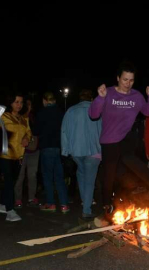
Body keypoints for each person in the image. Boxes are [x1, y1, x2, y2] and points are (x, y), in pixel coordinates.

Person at [88, 61, 149, 223]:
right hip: (109, 140)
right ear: (118, 78)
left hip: (126, 137)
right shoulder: (108, 93)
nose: (128, 84)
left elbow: (147, 111)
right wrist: (100, 98)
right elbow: (94, 114)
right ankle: (107, 204)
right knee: (109, 174)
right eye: (125, 80)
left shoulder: (136, 96)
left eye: (131, 80)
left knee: (130, 157)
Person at [61, 89, 102, 220]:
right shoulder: (97, 110)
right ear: (91, 99)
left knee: (81, 174)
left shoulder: (71, 111)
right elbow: (103, 130)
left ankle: (86, 203)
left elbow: (64, 131)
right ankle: (86, 209)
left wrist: (65, 149)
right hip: (93, 150)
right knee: (90, 180)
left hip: (76, 151)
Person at [0, 92, 31, 222]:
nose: (19, 105)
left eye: (21, 102)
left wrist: (27, 138)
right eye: (16, 102)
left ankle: (2, 204)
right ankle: (10, 210)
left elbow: (28, 132)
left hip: (19, 156)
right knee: (9, 181)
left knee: (11, 182)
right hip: (5, 154)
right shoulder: (3, 116)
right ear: (10, 102)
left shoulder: (23, 119)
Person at [34, 92, 69, 213]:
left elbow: (36, 130)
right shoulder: (61, 112)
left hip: (46, 147)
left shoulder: (42, 113)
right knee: (59, 177)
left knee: (47, 176)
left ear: (44, 101)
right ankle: (64, 204)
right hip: (58, 148)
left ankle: (50, 203)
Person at [14, 97, 41, 208]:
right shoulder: (19, 117)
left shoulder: (34, 117)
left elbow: (36, 130)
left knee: (32, 175)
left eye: (30, 104)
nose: (28, 106)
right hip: (22, 150)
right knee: (20, 176)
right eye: (26, 104)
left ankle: (31, 198)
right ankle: (17, 199)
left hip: (34, 149)